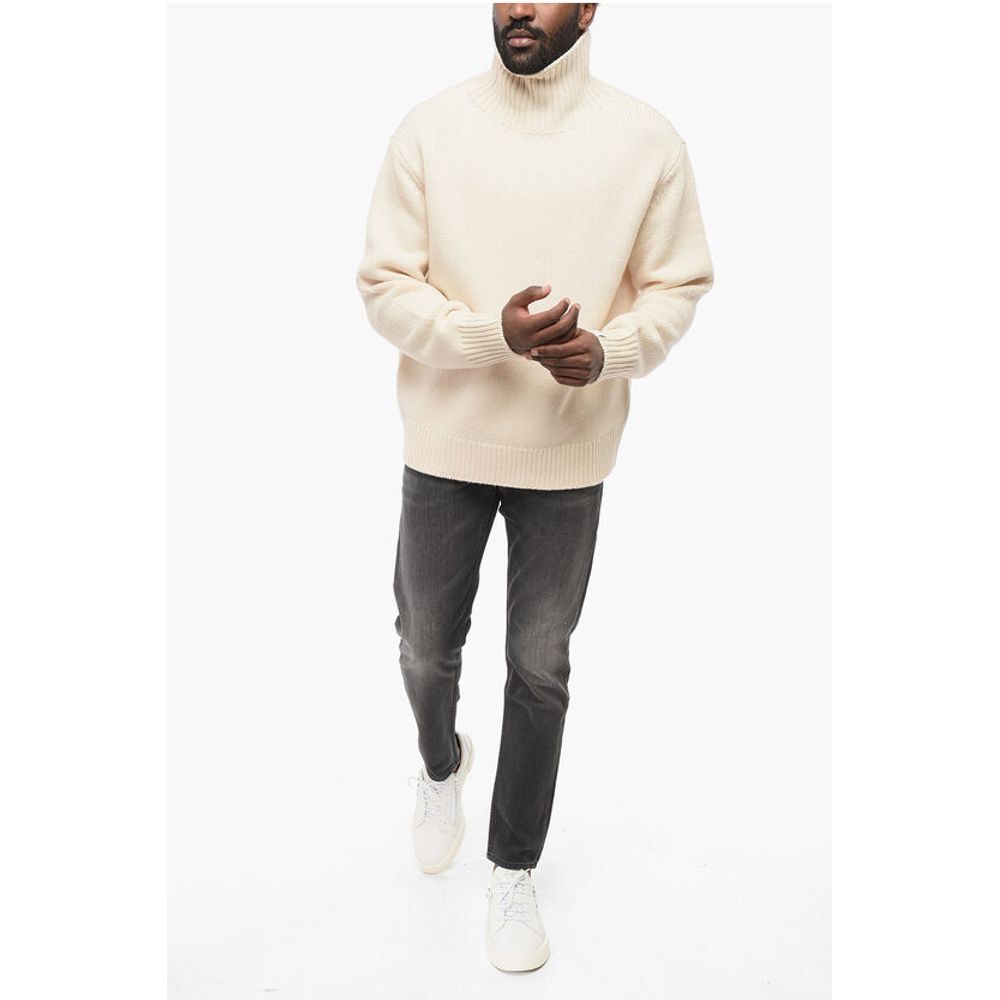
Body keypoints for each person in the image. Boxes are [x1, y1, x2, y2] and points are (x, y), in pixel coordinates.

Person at [355, 2, 714, 972]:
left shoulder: (645, 142)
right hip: (445, 442)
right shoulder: (430, 130)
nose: (517, 6)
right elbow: (385, 283)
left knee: (540, 666)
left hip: (568, 450)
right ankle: (441, 764)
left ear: (589, 8)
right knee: (424, 646)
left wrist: (610, 351)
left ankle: (512, 869)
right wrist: (490, 337)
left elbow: (677, 285)